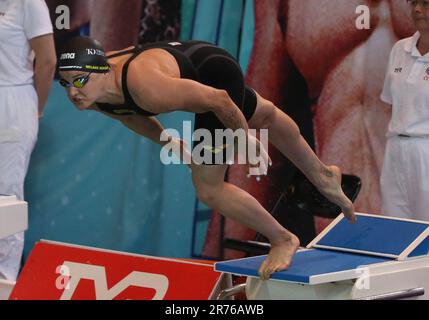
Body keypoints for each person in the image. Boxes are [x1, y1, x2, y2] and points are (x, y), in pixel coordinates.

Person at [57, 36, 355, 280]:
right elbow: (128, 115)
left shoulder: (146, 87)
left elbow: (219, 100)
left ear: (103, 70)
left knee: (208, 188)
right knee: (267, 115)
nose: (72, 92)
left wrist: (242, 138)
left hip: (214, 74)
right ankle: (323, 175)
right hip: (191, 61)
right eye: (65, 83)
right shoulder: (94, 93)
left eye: (79, 81)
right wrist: (171, 142)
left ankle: (282, 238)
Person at [0, 0, 56, 281]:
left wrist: (36, 109)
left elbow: (47, 61)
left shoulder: (30, 4)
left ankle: (5, 277)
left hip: (13, 102)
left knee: (7, 195)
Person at [380, 0, 429, 221]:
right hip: (395, 150)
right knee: (395, 225)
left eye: (426, 4)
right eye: (414, 3)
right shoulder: (400, 49)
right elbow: (389, 104)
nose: (417, 9)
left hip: (425, 150)